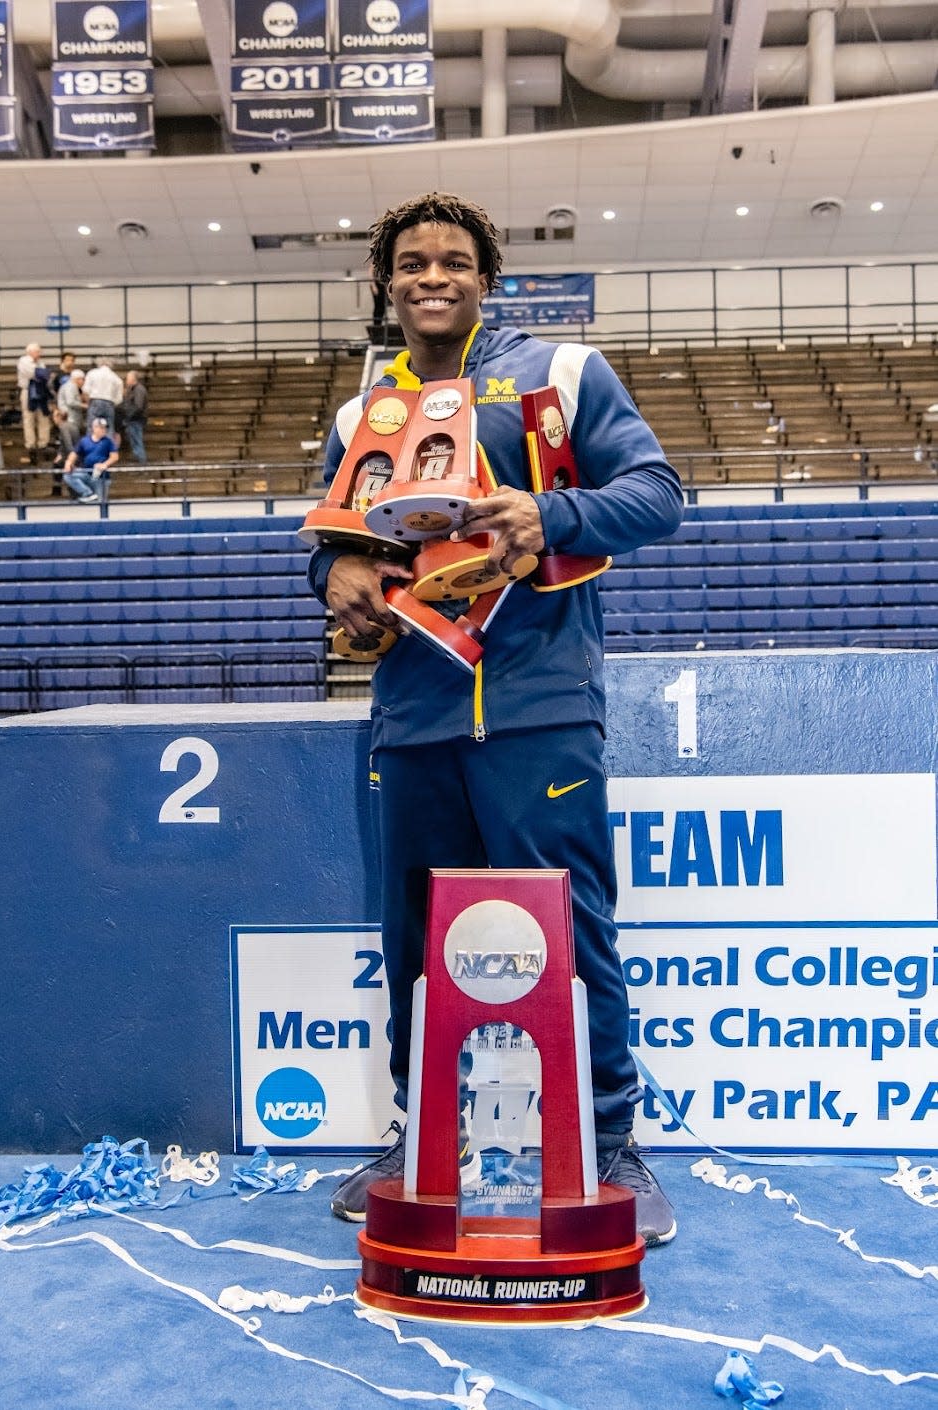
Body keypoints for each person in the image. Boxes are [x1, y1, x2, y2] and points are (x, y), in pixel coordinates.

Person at [307, 192, 684, 1245]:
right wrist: (335, 575)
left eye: (455, 260)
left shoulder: (559, 377)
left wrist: (549, 512)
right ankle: (419, 1138)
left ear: (488, 276)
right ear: (387, 282)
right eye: (414, 262)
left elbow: (657, 493)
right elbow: (339, 545)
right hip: (416, 713)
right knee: (414, 945)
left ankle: (611, 1146)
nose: (434, 276)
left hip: (538, 709)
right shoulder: (362, 415)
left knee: (569, 937)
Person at [62, 416, 118, 504]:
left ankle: (92, 496)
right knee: (68, 475)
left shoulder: (108, 442)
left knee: (100, 502)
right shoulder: (84, 441)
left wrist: (105, 464)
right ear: (94, 428)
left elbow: (114, 456)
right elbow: (74, 453)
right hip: (87, 473)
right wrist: (69, 462)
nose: (104, 430)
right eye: (101, 428)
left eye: (104, 428)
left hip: (101, 476)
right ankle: (87, 493)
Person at [16, 342, 52, 466]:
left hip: (41, 392)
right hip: (28, 392)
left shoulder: (40, 362)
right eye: (38, 351)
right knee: (29, 419)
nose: (40, 353)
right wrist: (41, 373)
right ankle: (30, 444)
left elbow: (45, 376)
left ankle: (43, 443)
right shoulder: (23, 361)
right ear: (31, 352)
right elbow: (34, 374)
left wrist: (41, 374)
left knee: (44, 418)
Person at [82, 358, 124, 440]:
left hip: (95, 401)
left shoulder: (92, 373)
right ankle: (108, 450)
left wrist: (89, 402)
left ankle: (91, 450)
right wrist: (112, 403)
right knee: (109, 429)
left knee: (92, 427)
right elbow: (119, 399)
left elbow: (86, 390)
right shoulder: (116, 378)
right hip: (109, 403)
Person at [119, 370, 148, 464]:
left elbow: (138, 406)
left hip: (135, 419)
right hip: (133, 419)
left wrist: (128, 416)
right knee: (135, 441)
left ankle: (142, 463)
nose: (126, 381)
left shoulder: (139, 389)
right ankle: (140, 461)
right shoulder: (132, 390)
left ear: (132, 379)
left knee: (136, 442)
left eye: (127, 378)